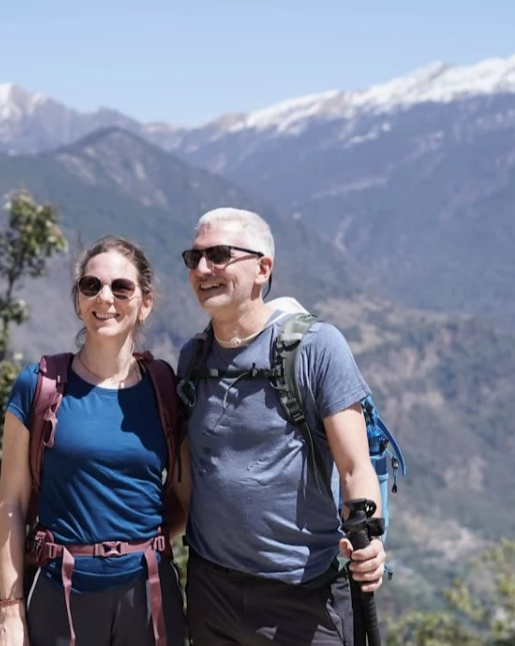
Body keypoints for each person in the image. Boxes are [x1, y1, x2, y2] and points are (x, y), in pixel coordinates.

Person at [175, 207, 388, 645]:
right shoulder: (192, 359)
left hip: (303, 597)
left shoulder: (315, 348)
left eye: (219, 255)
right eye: (194, 257)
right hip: (210, 591)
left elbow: (354, 467)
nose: (202, 269)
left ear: (263, 268)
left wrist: (369, 539)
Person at [0, 235, 189, 646]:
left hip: (148, 595)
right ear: (79, 300)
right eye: (91, 285)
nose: (105, 298)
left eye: (122, 287)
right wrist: (10, 613)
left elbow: (185, 497)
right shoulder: (38, 386)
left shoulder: (164, 387)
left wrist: (137, 544)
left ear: (145, 303)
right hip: (60, 594)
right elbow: (12, 503)